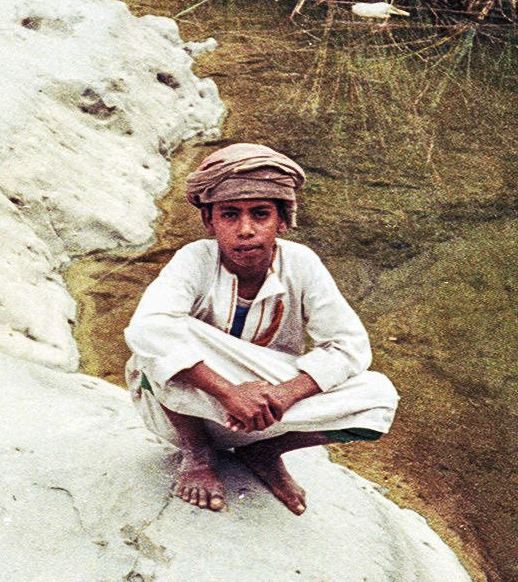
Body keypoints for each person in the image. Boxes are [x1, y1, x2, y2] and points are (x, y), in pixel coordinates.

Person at [124, 143, 397, 514]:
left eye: (261, 214)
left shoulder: (301, 263)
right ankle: (199, 456)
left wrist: (285, 394)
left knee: (378, 396)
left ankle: (265, 452)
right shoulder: (195, 259)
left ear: (282, 221)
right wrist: (228, 392)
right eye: (230, 215)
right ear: (209, 222)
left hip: (267, 415)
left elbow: (349, 345)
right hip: (184, 411)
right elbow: (148, 330)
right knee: (154, 338)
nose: (246, 230)